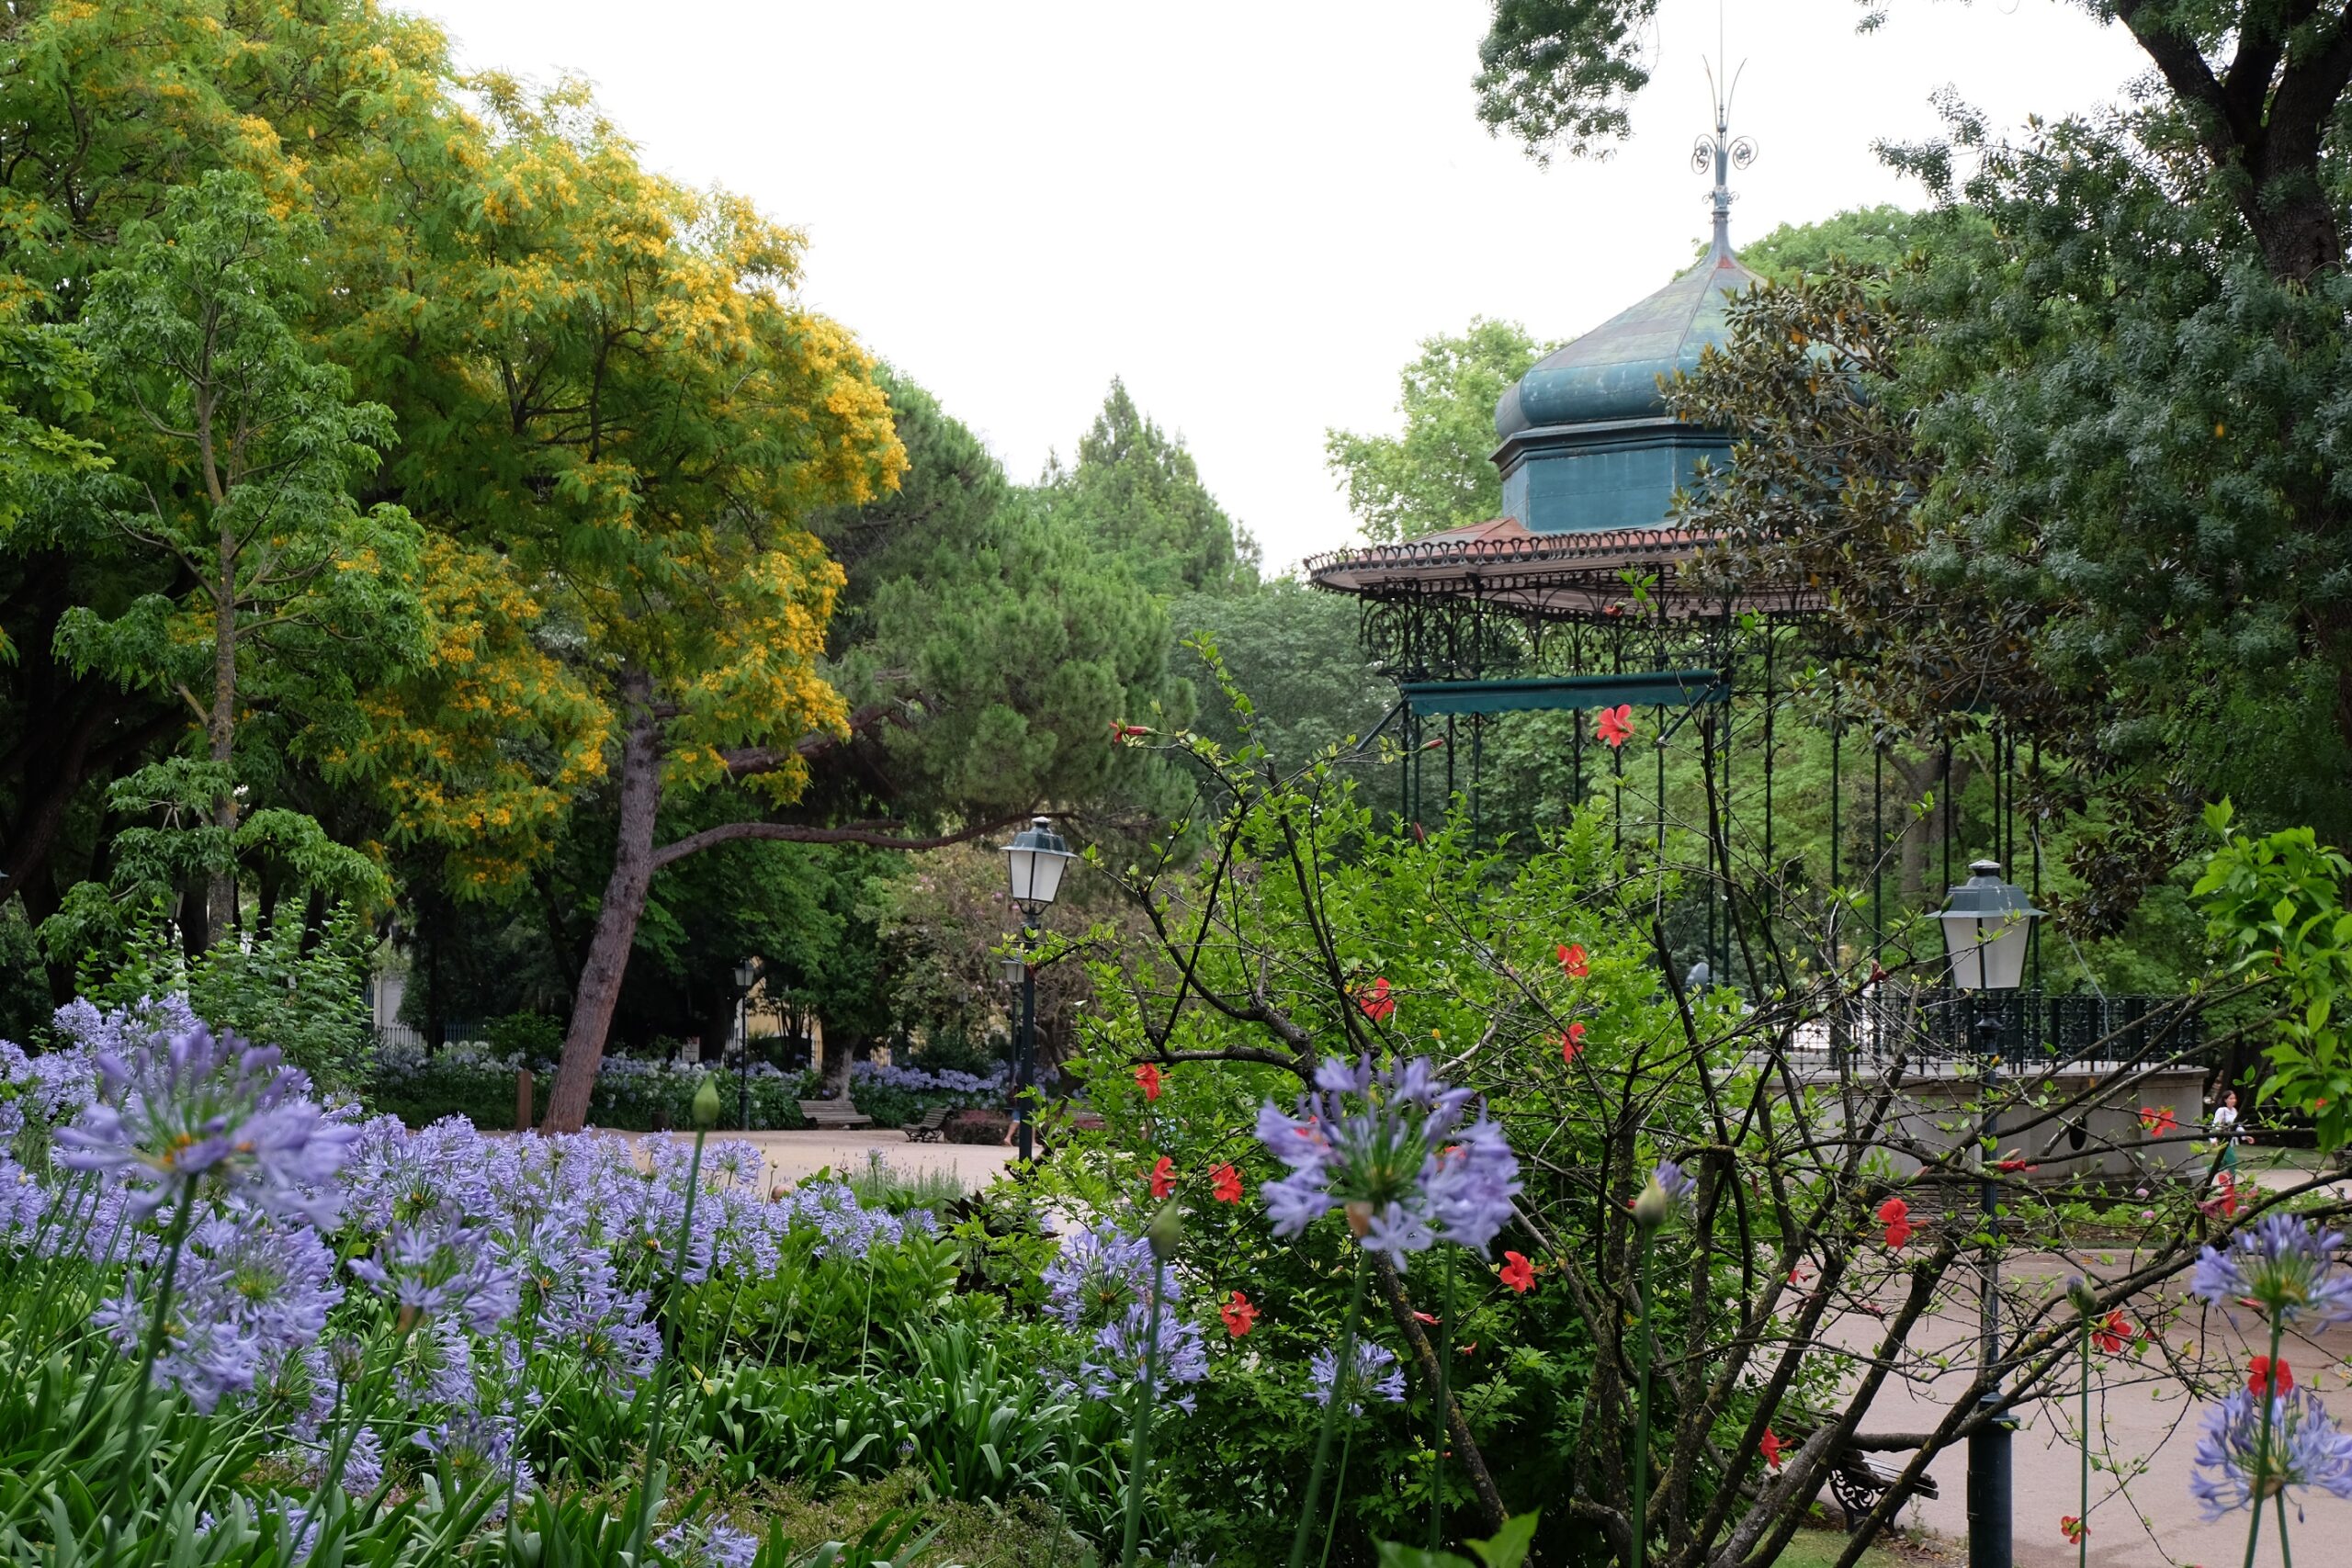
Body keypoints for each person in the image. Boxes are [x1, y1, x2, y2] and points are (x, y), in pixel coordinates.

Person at [2211, 1088, 2244, 1174]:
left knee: (2224, 1162)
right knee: (2232, 1160)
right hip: (2222, 1139)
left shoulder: (2234, 1111)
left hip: (2230, 1139)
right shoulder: (2222, 1110)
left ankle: (2207, 1171)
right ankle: (2232, 1183)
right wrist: (2213, 1139)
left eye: (2234, 1098)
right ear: (2225, 1100)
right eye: (2231, 1098)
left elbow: (2237, 1126)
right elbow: (2215, 1125)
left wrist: (2245, 1136)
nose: (2233, 1100)